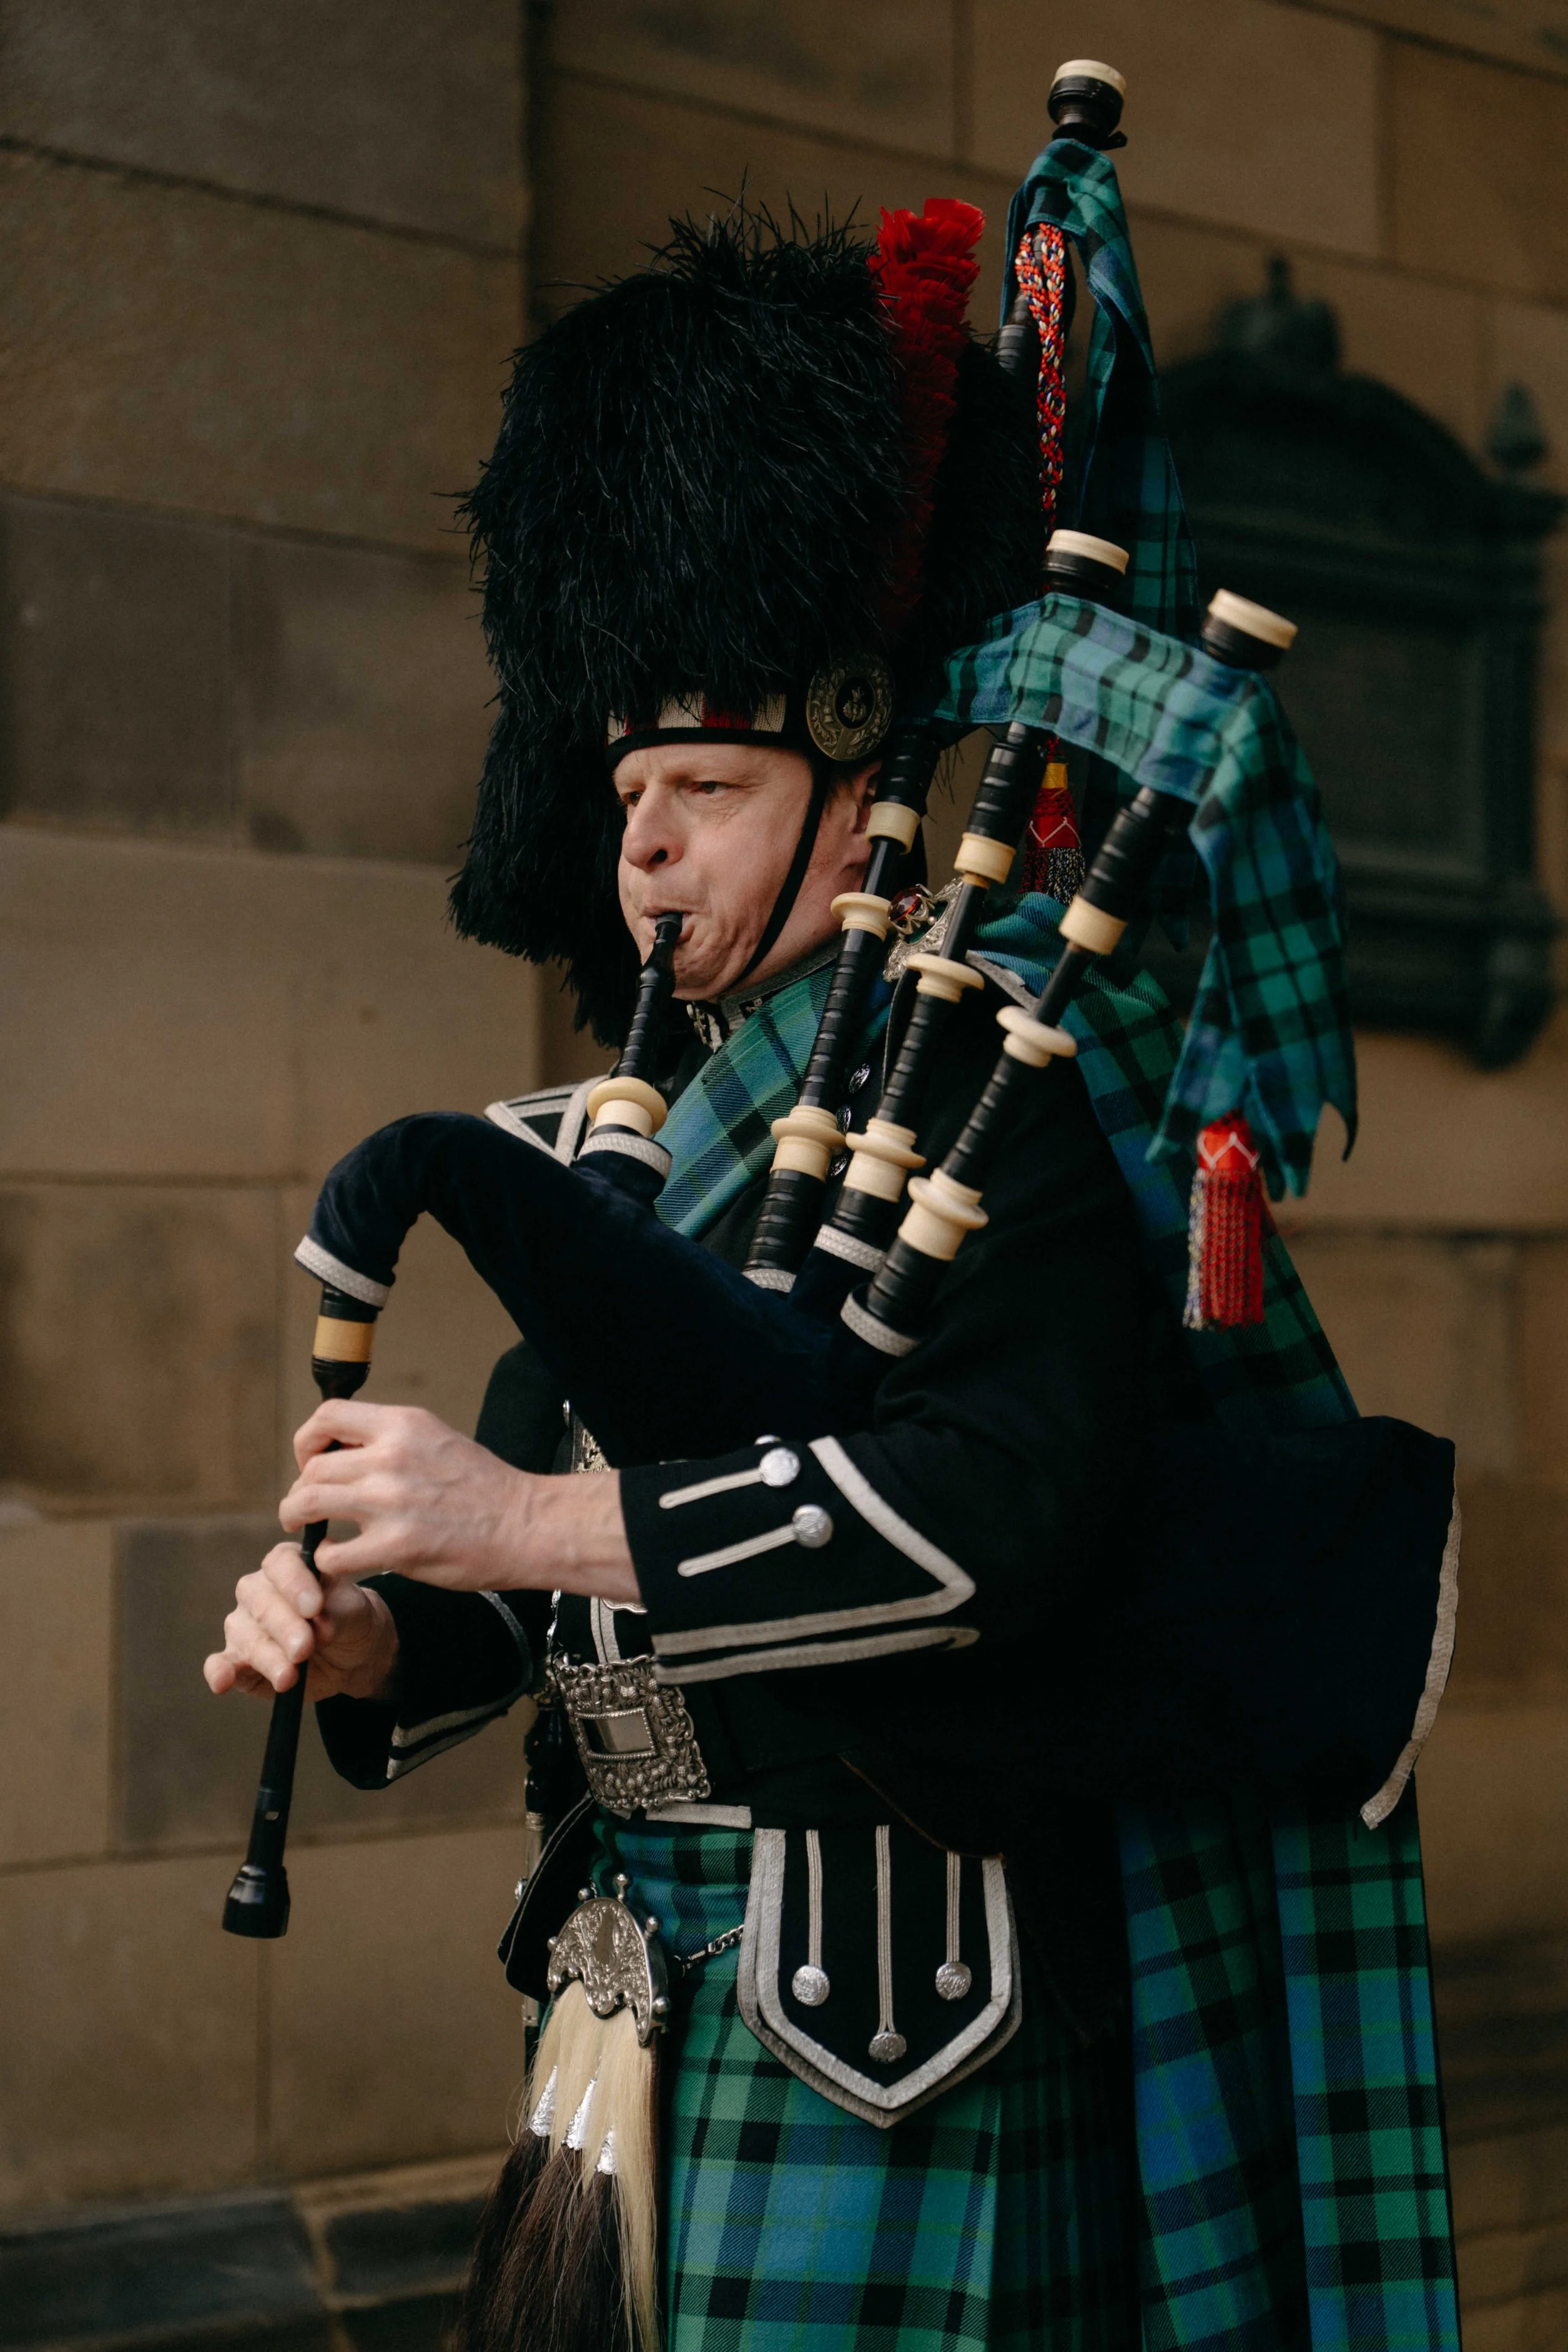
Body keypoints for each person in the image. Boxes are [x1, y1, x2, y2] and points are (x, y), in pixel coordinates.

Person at [206, 146, 1462, 2352]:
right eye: (624, 804)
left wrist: (513, 1516)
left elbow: (996, 1521)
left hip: (897, 2029)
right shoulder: (624, 1145)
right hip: (627, 1997)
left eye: (698, 790)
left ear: (853, 785)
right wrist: (388, 1637)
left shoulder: (992, 1093)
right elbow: (551, 1582)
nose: (645, 850)